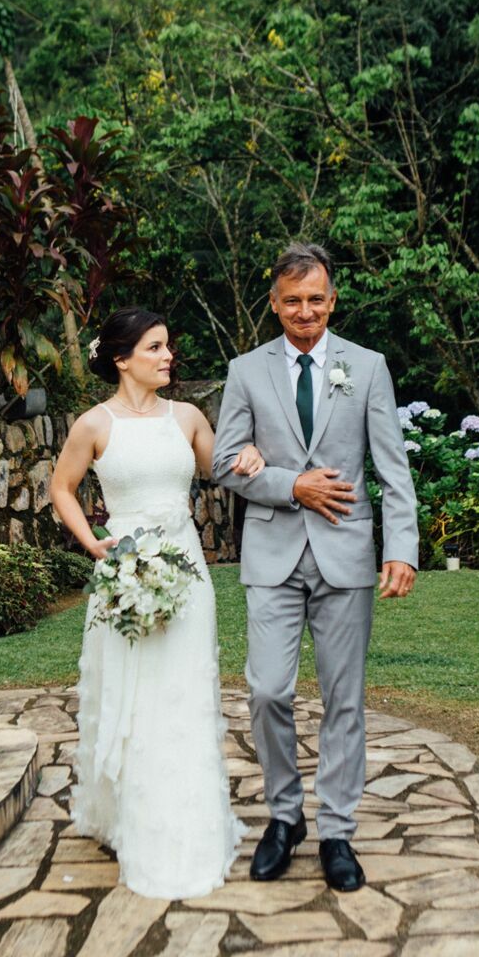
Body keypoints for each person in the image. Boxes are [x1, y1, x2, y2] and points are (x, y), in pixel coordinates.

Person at [211, 243, 419, 893]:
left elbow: (390, 463)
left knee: (343, 701)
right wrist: (287, 484)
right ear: (274, 303)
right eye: (293, 300)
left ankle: (335, 831)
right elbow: (222, 464)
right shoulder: (245, 371)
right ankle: (282, 817)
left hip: (346, 554)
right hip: (272, 556)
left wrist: (401, 546)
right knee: (268, 691)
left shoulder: (367, 367)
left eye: (316, 299)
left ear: (332, 300)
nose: (305, 311)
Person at [49, 307, 262, 899]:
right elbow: (60, 488)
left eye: (168, 346)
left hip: (186, 572)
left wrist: (250, 459)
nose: (169, 356)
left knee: (183, 690)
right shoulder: (93, 424)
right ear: (122, 359)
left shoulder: (188, 417)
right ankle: (126, 815)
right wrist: (94, 544)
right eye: (155, 347)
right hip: (123, 576)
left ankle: (186, 818)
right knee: (131, 692)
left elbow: (223, 472)